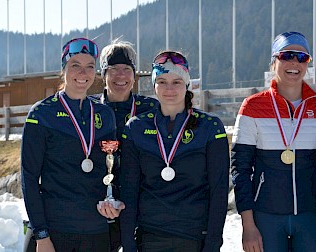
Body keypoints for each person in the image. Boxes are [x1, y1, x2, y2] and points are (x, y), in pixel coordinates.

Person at [119, 50, 230, 252]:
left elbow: (219, 190)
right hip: (150, 237)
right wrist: (128, 244)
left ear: (186, 84)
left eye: (176, 81)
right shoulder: (136, 128)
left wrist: (213, 244)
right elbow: (129, 189)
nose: (169, 88)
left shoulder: (210, 127)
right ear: (154, 85)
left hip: (195, 236)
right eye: (162, 81)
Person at [21, 37, 118, 252]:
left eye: (89, 67)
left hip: (96, 231)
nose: (83, 74)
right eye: (76, 66)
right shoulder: (41, 114)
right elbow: (29, 178)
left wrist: (114, 200)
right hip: (55, 231)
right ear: (64, 69)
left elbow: (112, 165)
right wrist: (41, 235)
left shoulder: (105, 115)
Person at [231, 31, 316, 252]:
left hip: (310, 217)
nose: (294, 63)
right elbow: (240, 169)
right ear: (273, 61)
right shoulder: (252, 107)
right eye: (287, 55)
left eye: (302, 57)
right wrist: (248, 225)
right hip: (265, 217)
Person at [95, 40, 158, 252]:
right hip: (100, 207)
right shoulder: (88, 109)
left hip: (141, 206)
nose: (120, 76)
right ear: (103, 74)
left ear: (134, 75)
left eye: (127, 69)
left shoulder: (151, 109)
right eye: (113, 70)